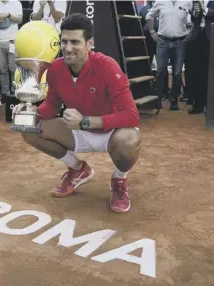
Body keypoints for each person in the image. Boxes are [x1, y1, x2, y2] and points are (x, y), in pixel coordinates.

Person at [14, 13, 141, 213]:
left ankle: (119, 180)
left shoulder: (107, 66)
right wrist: (31, 111)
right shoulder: (55, 68)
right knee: (29, 127)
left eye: (75, 42)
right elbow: (52, 106)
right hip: (76, 130)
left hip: (110, 132)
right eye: (64, 42)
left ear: (90, 43)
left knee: (129, 139)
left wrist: (86, 123)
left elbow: (131, 116)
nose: (68, 48)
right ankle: (77, 169)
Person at [146, 0, 192, 111]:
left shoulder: (187, 2)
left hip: (180, 42)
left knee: (177, 73)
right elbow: (149, 15)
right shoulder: (160, 1)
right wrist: (152, 31)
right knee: (160, 71)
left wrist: (190, 31)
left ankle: (174, 100)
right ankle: (158, 99)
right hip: (162, 41)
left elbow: (193, 18)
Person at [0, 0, 23, 101]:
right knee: (1, 69)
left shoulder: (16, 3)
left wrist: (8, 15)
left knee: (14, 68)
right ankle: (5, 93)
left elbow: (19, 20)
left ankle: (16, 92)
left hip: (12, 40)